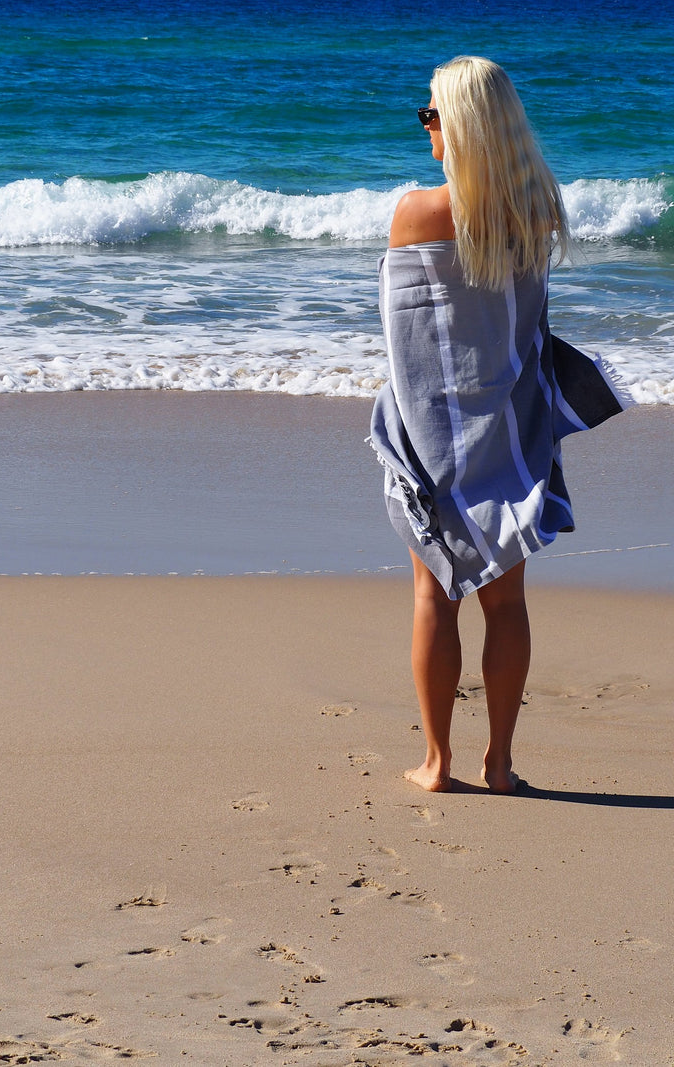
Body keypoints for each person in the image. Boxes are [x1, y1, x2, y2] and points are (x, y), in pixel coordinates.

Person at [369, 56, 630, 794]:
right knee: (507, 602)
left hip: (438, 429)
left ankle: (438, 762)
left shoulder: (418, 212)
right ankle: (501, 761)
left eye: (431, 116)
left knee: (433, 596)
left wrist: (411, 444)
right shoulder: (537, 211)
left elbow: (409, 349)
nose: (426, 128)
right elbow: (525, 327)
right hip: (512, 430)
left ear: (460, 126)